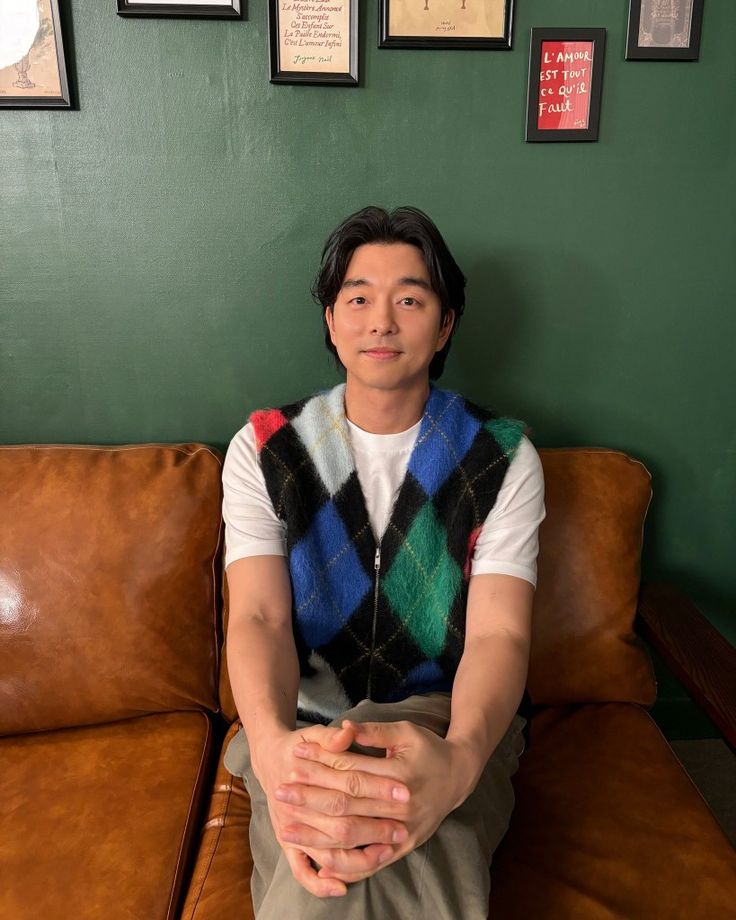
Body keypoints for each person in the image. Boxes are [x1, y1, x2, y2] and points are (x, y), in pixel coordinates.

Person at [221, 205, 546, 918]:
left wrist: (461, 761)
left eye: (410, 299)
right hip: (303, 723)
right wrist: (273, 748)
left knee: (396, 852)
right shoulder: (266, 450)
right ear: (332, 321)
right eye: (358, 298)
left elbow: (500, 636)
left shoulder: (502, 456)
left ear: (446, 324)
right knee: (323, 871)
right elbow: (258, 616)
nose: (382, 321)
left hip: (441, 718)